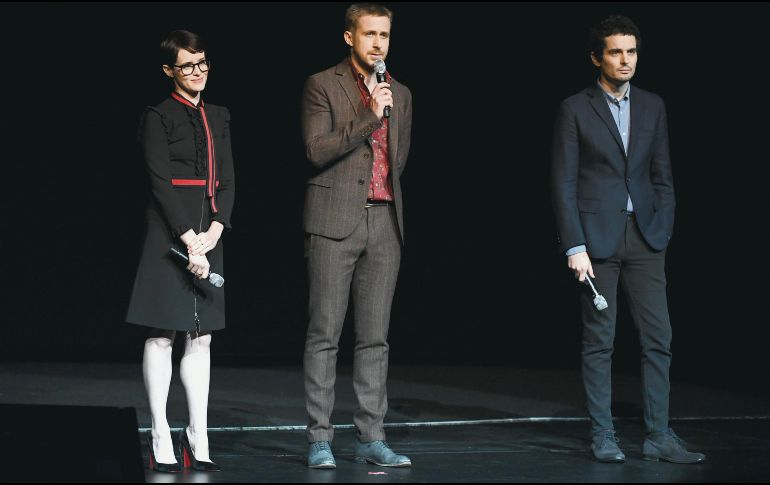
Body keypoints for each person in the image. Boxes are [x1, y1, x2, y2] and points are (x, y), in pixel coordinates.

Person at [550, 14, 705, 464]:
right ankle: (604, 435)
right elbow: (563, 182)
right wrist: (573, 246)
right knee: (600, 340)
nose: (625, 60)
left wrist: (664, 226)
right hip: (595, 242)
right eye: (616, 52)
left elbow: (662, 175)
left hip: (645, 238)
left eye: (631, 51)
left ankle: (659, 435)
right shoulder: (575, 108)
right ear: (597, 57)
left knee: (659, 338)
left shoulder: (653, 105)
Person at [300, 2, 413, 469]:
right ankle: (320, 439)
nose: (377, 44)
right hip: (333, 222)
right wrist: (369, 114)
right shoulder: (322, 84)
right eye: (369, 35)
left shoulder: (400, 92)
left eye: (384, 35)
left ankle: (371, 436)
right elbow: (316, 149)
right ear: (350, 37)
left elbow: (399, 158)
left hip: (385, 221)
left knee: (375, 339)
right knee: (325, 334)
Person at [126, 29, 235, 473]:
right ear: (170, 70)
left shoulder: (220, 114)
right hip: (169, 229)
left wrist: (216, 230)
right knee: (162, 333)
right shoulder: (158, 115)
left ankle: (197, 435)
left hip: (209, 228)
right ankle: (159, 434)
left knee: (201, 334)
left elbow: (227, 178)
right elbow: (159, 183)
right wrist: (189, 237)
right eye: (188, 66)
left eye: (203, 63)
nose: (197, 72)